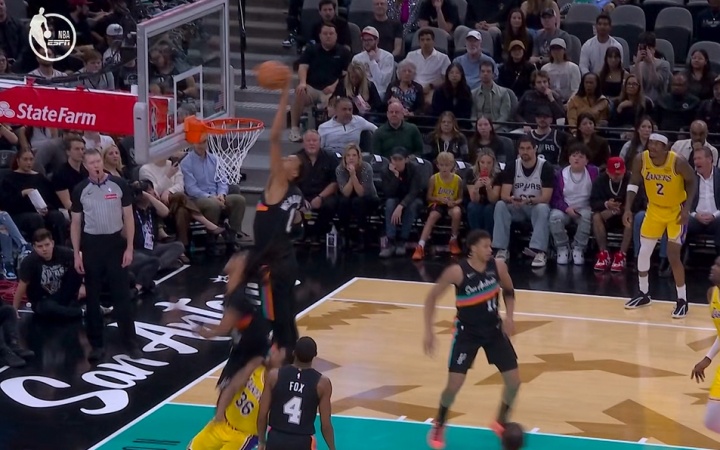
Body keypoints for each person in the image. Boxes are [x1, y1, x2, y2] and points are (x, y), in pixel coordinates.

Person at [423, 229, 520, 450]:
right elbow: (431, 298)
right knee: (453, 386)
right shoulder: (457, 272)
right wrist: (429, 332)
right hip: (467, 334)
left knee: (514, 382)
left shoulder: (498, 266)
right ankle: (440, 423)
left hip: (494, 331)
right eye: (485, 246)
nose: (490, 250)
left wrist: (510, 317)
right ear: (473, 248)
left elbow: (509, 290)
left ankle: (500, 421)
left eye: (490, 245)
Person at [245, 73, 304, 364]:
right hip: (286, 257)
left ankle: (281, 362)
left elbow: (275, 137)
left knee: (274, 315)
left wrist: (283, 97)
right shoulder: (294, 192)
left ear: (293, 173)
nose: (285, 158)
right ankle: (294, 355)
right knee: (286, 313)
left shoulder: (280, 183)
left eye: (291, 160)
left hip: (273, 262)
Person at [70, 147, 139, 361]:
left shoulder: (119, 184)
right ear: (85, 166)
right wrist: (76, 253)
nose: (96, 166)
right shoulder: (80, 189)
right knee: (92, 297)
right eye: (91, 163)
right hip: (92, 245)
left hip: (115, 243)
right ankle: (96, 345)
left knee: (122, 295)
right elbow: (75, 223)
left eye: (98, 161)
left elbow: (129, 217)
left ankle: (130, 342)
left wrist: (129, 247)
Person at [622, 134, 697, 318]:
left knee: (673, 255)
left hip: (676, 211)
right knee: (644, 252)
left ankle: (682, 300)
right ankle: (644, 293)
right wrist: (628, 208)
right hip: (654, 210)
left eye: (657, 144)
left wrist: (687, 209)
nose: (653, 147)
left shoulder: (677, 162)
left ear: (666, 148)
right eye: (651, 143)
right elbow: (633, 183)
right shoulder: (641, 159)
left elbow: (692, 181)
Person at [257, 336, 336, 450]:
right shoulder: (322, 383)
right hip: (302, 442)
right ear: (315, 355)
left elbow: (262, 414)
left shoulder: (274, 375)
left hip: (276, 438)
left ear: (294, 353)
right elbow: (326, 424)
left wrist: (261, 441)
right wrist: (332, 448)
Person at [14, 228, 84, 320]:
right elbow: (21, 286)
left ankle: (71, 308)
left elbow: (80, 256)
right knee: (48, 308)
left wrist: (83, 284)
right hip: (42, 299)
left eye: (47, 245)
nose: (44, 249)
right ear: (34, 247)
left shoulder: (62, 252)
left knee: (77, 263)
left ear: (52, 243)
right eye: (40, 246)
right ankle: (81, 312)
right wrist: (14, 309)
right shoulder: (29, 262)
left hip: (62, 293)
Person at [691, 256, 720, 434]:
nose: (713, 268)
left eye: (718, 266)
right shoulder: (712, 293)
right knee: (711, 421)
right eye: (714, 264)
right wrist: (707, 358)